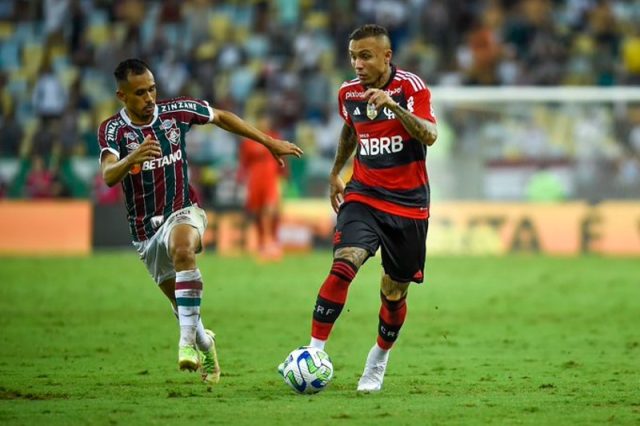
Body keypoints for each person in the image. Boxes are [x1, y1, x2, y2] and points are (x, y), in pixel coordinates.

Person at [98, 58, 303, 385]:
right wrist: (132, 157)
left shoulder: (175, 112)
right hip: (144, 232)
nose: (149, 97)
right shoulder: (113, 130)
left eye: (152, 89)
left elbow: (221, 116)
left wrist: (268, 141)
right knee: (184, 309)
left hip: (183, 210)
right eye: (139, 93)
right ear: (122, 96)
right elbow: (108, 174)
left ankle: (184, 343)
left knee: (183, 248)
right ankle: (204, 343)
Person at [280, 24, 437, 392]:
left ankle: (378, 359)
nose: (357, 64)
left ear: (387, 56)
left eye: (365, 56)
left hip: (409, 206)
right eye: (353, 56)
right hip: (363, 194)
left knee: (394, 291)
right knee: (344, 262)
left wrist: (394, 107)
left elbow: (429, 134)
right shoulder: (348, 93)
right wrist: (336, 171)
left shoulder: (411, 88)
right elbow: (351, 128)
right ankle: (314, 352)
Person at [238, 111, 285, 261]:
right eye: (261, 121)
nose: (263, 124)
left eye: (265, 121)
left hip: (271, 178)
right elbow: (244, 164)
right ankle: (262, 244)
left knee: (270, 211)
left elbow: (283, 161)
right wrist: (242, 181)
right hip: (255, 180)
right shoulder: (248, 142)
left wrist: (283, 179)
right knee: (258, 213)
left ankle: (271, 242)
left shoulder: (275, 138)